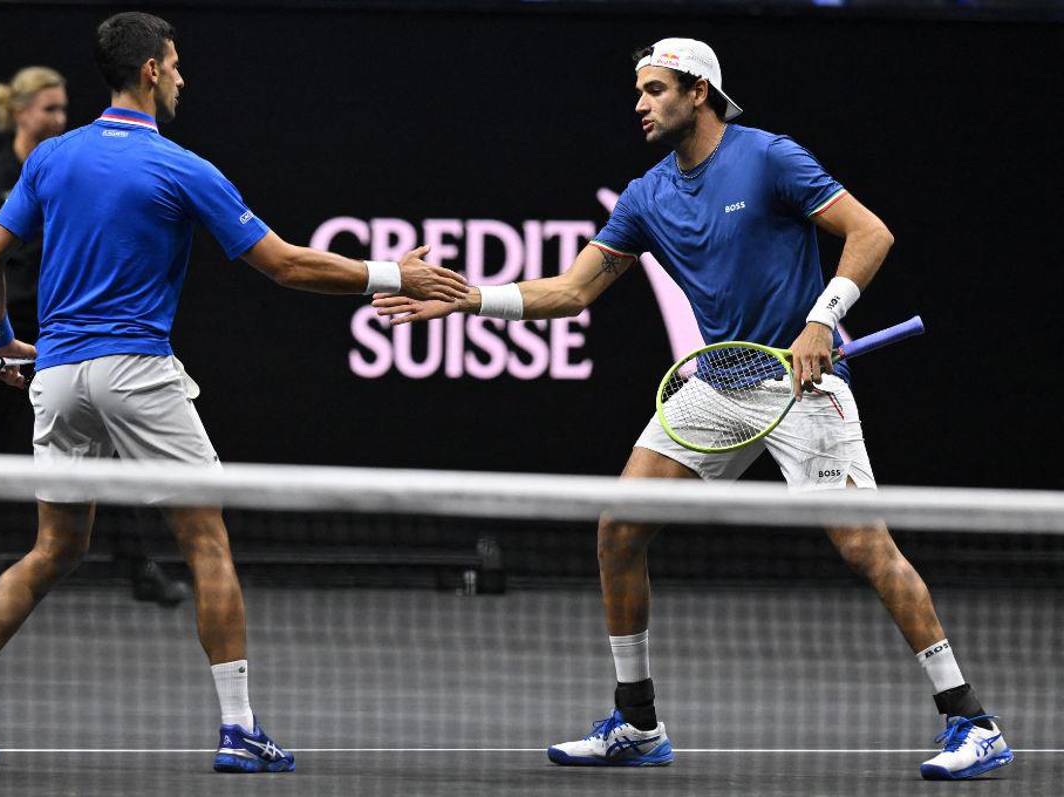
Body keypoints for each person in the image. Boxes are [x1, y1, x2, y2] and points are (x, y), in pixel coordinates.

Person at [373, 38, 1011, 781]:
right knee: (618, 527)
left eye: (653, 90)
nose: (639, 105)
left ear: (698, 91)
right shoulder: (645, 196)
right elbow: (572, 291)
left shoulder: (769, 157)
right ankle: (638, 721)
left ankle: (973, 718)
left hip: (801, 384)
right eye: (638, 93)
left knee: (866, 548)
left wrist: (819, 319)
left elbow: (871, 233)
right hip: (715, 384)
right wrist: (471, 299)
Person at [0, 11, 467, 774]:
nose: (181, 76)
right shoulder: (181, 167)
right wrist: (389, 274)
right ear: (149, 72)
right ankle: (239, 729)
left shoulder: (48, 159)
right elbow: (284, 265)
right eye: (174, 64)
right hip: (138, 371)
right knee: (205, 541)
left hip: (62, 376)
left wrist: (0, 339)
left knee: (53, 546)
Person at [0, 66, 190, 610]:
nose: (59, 118)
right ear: (19, 112)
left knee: (107, 453)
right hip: (2, 334)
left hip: (65, 336)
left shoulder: (72, 169)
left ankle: (139, 569)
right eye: (49, 109)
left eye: (62, 108)